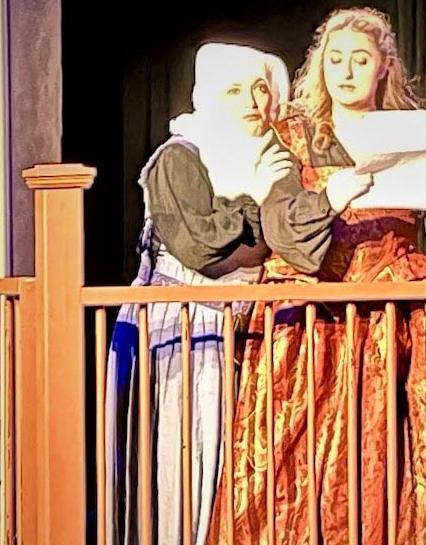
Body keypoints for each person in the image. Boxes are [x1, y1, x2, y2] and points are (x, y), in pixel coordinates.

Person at [207, 7, 426, 544]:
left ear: (383, 67)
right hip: (312, 323)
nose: (345, 71)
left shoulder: (416, 133)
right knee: (296, 473)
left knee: (409, 458)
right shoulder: (293, 135)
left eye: (360, 60)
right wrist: (328, 198)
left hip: (397, 321)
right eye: (335, 59)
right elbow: (282, 228)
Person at [104, 42, 292, 545]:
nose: (251, 101)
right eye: (233, 90)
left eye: (259, 87)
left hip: (234, 331)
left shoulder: (269, 159)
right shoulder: (181, 156)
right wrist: (255, 201)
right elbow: (202, 249)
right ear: (207, 96)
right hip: (180, 332)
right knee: (184, 465)